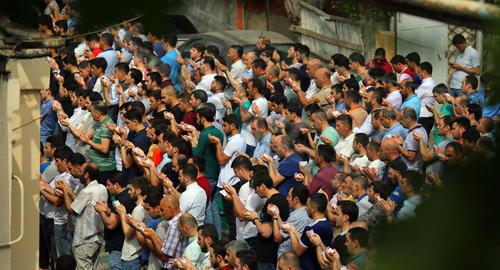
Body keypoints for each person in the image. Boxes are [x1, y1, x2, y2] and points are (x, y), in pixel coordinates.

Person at [59, 163, 108, 270]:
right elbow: (82, 202)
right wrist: (69, 190)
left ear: (86, 175)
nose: (79, 173)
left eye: (82, 171)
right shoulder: (102, 188)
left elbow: (71, 209)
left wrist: (65, 191)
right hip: (97, 238)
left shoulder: (86, 191)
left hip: (86, 239)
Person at [242, 171, 289, 270]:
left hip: (267, 254)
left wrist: (254, 218)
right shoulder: (281, 198)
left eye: (256, 188)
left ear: (262, 186)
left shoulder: (272, 202)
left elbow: (266, 232)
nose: (255, 191)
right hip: (272, 253)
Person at [283, 193, 333, 270]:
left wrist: (290, 232)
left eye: (307, 205)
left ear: (313, 209)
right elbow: (306, 241)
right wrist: (294, 230)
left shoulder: (312, 228)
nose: (305, 208)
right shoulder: (328, 226)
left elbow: (298, 251)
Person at [268, 183, 311, 258]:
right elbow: (284, 228)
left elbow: (278, 238)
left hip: (287, 258)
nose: (287, 198)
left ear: (296, 200)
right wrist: (277, 215)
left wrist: (274, 217)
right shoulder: (304, 213)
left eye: (289, 196)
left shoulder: (297, 216)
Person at [80, 100, 116, 185]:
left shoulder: (106, 126)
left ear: (97, 113)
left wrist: (89, 141)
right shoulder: (103, 123)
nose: (90, 114)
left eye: (91, 112)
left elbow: (104, 149)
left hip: (104, 169)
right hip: (100, 167)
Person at [415, 62, 436, 134]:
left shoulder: (425, 85)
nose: (417, 74)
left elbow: (415, 98)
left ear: (424, 72)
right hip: (428, 117)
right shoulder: (432, 82)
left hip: (423, 118)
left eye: (419, 72)